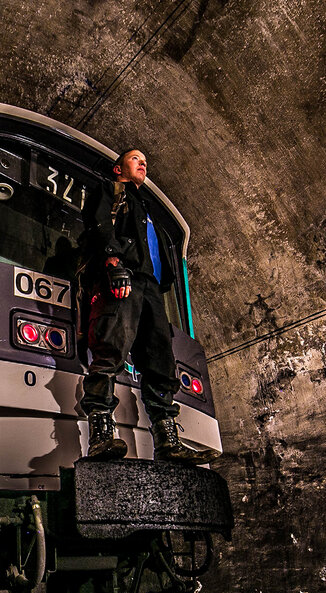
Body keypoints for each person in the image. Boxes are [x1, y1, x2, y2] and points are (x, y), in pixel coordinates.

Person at [78, 148, 215, 464]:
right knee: (110, 351)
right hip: (123, 276)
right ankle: (101, 436)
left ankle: (168, 442)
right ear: (118, 169)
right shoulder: (108, 190)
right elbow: (98, 224)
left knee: (160, 363)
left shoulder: (146, 206)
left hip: (151, 288)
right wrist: (113, 262)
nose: (143, 162)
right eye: (135, 158)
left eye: (145, 160)